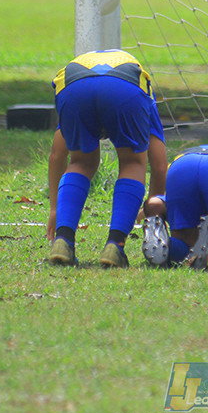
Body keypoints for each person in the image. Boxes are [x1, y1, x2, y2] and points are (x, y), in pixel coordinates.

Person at [46, 49, 167, 268]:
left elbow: (56, 155)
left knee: (81, 162)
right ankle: (115, 246)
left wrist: (55, 210)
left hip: (73, 82)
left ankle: (63, 239)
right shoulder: (144, 90)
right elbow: (159, 165)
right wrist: (154, 213)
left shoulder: (81, 84)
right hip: (125, 83)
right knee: (132, 162)